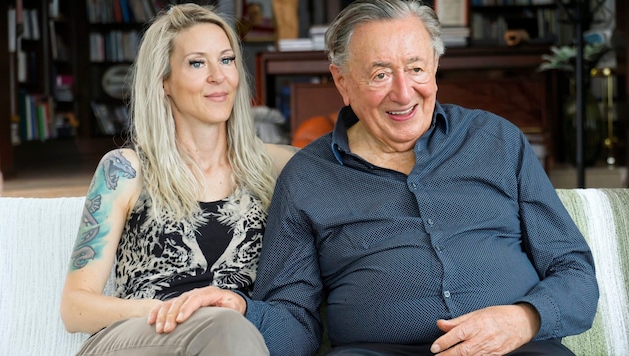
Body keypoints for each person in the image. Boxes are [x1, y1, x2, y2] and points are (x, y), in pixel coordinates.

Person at [149, 1, 599, 355]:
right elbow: (296, 325)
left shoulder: (496, 140)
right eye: (380, 74)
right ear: (342, 82)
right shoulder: (307, 178)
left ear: (435, 69)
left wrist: (524, 320)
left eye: (416, 68)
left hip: (515, 350)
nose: (404, 93)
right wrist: (245, 311)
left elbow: (574, 272)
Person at [60, 3, 295, 355]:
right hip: (139, 336)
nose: (218, 76)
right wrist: (174, 311)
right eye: (197, 63)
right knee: (226, 327)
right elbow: (75, 308)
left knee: (231, 329)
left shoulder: (278, 166)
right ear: (165, 81)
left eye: (227, 60)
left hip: (234, 339)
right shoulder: (125, 170)